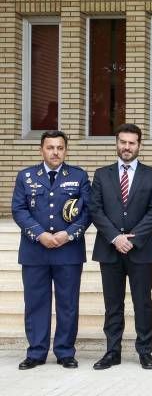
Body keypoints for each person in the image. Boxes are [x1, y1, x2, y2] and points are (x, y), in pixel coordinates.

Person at [11, 131, 90, 370]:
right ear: (41, 149)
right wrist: (39, 233)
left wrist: (68, 234)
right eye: (50, 147)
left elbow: (88, 211)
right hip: (35, 250)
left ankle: (65, 351)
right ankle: (36, 352)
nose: (55, 152)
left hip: (68, 250)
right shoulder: (26, 176)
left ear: (66, 150)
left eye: (60, 148)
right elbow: (19, 209)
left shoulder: (78, 176)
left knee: (68, 303)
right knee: (36, 302)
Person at [89, 123, 152, 370]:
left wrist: (132, 239)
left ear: (139, 145)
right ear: (116, 143)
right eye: (123, 142)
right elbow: (95, 209)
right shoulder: (101, 174)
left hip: (140, 250)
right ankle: (113, 352)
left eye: (132, 143)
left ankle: (145, 351)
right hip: (109, 249)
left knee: (143, 302)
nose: (127, 147)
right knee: (113, 303)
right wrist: (115, 237)